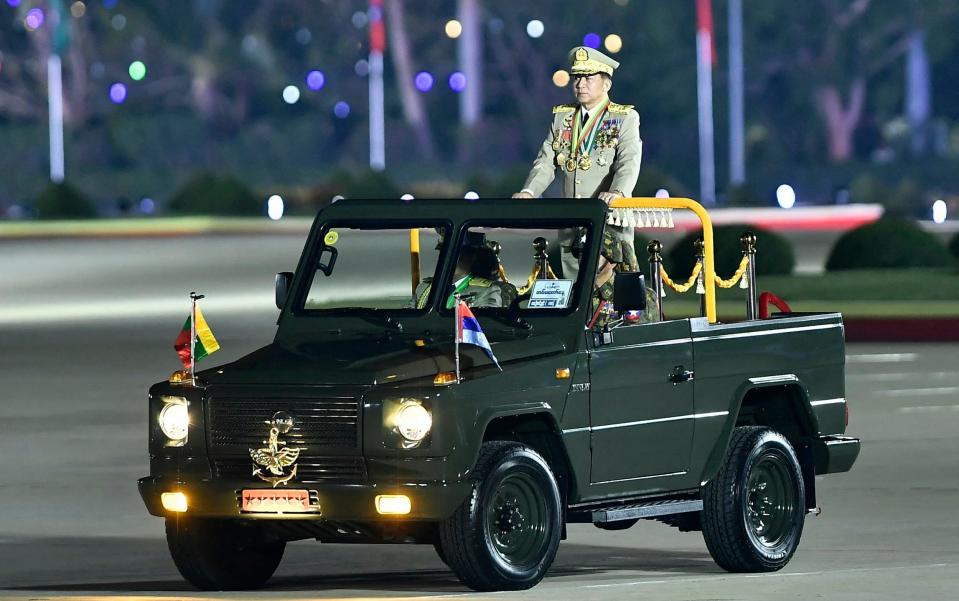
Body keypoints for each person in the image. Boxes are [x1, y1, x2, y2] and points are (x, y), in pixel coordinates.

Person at [513, 45, 643, 280]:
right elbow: (546, 161)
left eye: (588, 77)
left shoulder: (623, 118)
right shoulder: (563, 118)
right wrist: (529, 191)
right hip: (572, 222)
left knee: (612, 295)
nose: (580, 83)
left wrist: (618, 191)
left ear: (606, 84)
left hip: (609, 219)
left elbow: (629, 161)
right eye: (577, 77)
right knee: (575, 290)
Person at [413, 244, 517, 310]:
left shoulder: (488, 290)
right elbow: (408, 318)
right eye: (443, 253)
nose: (445, 258)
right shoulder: (424, 287)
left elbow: (484, 327)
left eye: (454, 254)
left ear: (471, 258)